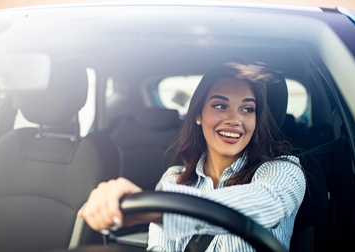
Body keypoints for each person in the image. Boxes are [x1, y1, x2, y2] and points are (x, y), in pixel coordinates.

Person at [77, 58, 306, 251]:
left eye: (247, 109)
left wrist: (160, 210)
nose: (234, 120)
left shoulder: (284, 170)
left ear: (257, 121)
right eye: (220, 105)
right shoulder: (174, 179)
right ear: (198, 114)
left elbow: (268, 204)